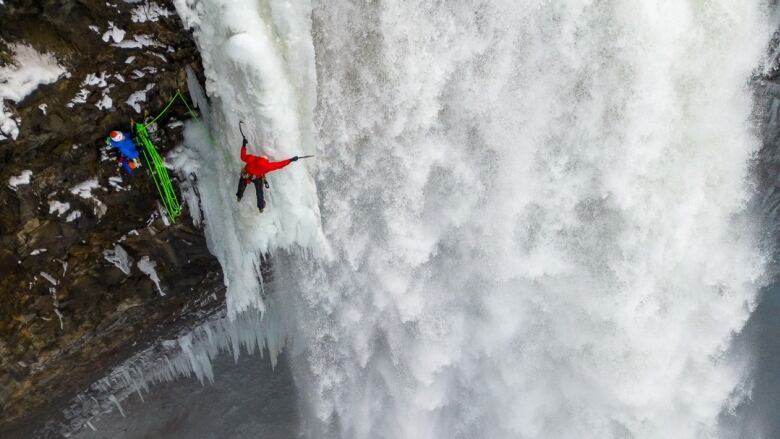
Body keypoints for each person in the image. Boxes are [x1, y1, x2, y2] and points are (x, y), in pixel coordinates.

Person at [237, 137, 299, 212]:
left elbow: (243, 156)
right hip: (257, 178)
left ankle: (239, 196)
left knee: (242, 183)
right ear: (266, 160)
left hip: (246, 174)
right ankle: (261, 207)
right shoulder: (267, 166)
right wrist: (291, 160)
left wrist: (244, 145)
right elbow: (280, 165)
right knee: (259, 192)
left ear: (259, 158)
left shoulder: (252, 159)